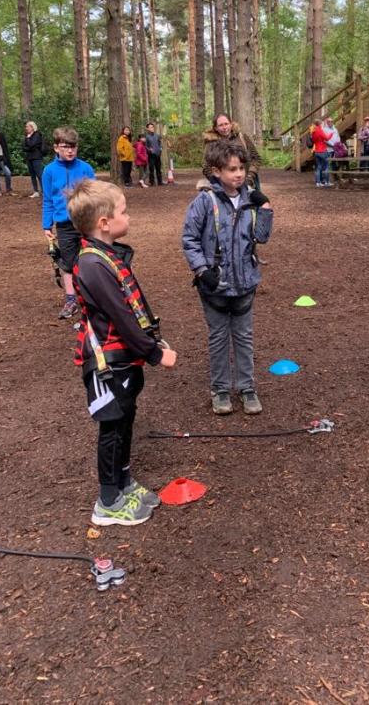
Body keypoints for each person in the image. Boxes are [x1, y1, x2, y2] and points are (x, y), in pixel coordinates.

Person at [67, 179, 177, 526]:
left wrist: (151, 340)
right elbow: (121, 316)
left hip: (126, 360)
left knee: (126, 420)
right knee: (112, 427)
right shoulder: (92, 264)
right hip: (108, 364)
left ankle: (124, 482)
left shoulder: (108, 255)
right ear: (104, 222)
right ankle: (108, 501)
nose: (128, 217)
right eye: (124, 211)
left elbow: (134, 308)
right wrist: (155, 354)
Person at [182, 140, 273, 415]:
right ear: (216, 171)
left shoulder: (250, 200)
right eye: (232, 169)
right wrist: (202, 270)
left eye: (242, 168)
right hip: (215, 285)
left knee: (244, 337)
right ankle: (220, 389)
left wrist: (265, 208)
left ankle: (247, 387)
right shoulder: (204, 201)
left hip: (245, 283)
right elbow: (189, 239)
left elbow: (262, 237)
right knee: (219, 337)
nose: (239, 174)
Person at [42, 126, 96, 319]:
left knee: (91, 260)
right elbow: (47, 200)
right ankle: (71, 300)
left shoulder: (86, 168)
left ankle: (94, 297)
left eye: (73, 146)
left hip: (85, 223)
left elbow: (95, 196)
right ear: (56, 147)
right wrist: (46, 225)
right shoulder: (49, 171)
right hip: (64, 225)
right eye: (66, 146)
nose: (70, 150)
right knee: (67, 262)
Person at [203, 113, 261, 188]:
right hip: (223, 186)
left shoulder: (242, 137)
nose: (224, 127)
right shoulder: (211, 143)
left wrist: (250, 176)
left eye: (226, 124)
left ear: (231, 124)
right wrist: (220, 183)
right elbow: (206, 167)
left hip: (247, 182)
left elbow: (255, 158)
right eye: (220, 125)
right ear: (216, 128)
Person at [23, 121, 46, 198]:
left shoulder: (37, 135)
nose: (26, 128)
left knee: (39, 174)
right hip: (29, 157)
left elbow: (32, 145)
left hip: (36, 157)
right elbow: (23, 147)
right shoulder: (27, 136)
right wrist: (29, 146)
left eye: (27, 126)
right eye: (26, 127)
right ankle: (36, 191)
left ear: (32, 127)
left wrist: (28, 143)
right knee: (32, 175)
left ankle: (44, 191)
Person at [311, 118, 333, 187]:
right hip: (323, 151)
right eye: (322, 123)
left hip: (316, 151)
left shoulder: (313, 131)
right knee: (326, 166)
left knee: (318, 167)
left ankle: (318, 183)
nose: (323, 124)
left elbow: (314, 140)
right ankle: (327, 182)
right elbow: (327, 138)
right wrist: (331, 133)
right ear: (319, 124)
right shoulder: (320, 130)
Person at [145, 121, 163, 186]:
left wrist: (160, 148)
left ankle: (160, 182)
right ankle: (152, 182)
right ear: (147, 129)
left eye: (152, 127)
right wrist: (149, 150)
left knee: (159, 169)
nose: (152, 128)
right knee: (151, 169)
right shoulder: (146, 137)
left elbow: (160, 143)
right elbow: (145, 146)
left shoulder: (157, 135)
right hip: (151, 155)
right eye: (150, 127)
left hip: (158, 154)